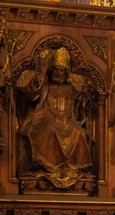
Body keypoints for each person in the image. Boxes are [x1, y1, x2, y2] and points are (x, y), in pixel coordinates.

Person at [16, 46, 93, 188]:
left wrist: (85, 95)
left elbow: (83, 105)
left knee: (80, 133)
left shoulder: (71, 88)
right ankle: (48, 166)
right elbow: (30, 95)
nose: (59, 73)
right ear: (51, 71)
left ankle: (71, 167)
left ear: (66, 73)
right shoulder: (45, 85)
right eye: (56, 70)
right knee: (50, 131)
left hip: (67, 120)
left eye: (62, 71)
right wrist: (39, 77)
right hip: (44, 117)